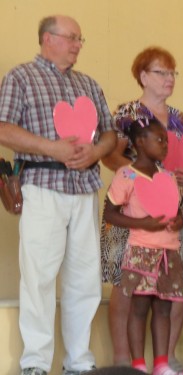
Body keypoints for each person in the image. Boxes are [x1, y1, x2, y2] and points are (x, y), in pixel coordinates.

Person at [0, 15, 116, 375]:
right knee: (39, 277)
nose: (78, 45)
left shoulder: (89, 84)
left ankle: (79, 361)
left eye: (81, 39)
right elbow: (3, 128)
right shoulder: (20, 77)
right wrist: (54, 149)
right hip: (42, 185)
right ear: (47, 39)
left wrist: (95, 153)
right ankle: (35, 363)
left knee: (84, 277)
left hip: (84, 189)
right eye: (72, 38)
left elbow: (110, 134)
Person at [100, 46, 183, 371]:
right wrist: (145, 176)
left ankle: (167, 358)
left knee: (176, 284)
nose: (169, 79)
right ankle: (123, 359)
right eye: (162, 72)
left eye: (173, 73)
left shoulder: (182, 119)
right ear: (143, 76)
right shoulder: (127, 114)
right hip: (131, 214)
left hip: (174, 217)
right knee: (125, 283)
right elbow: (109, 155)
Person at [103, 118, 183, 375]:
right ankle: (138, 364)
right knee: (138, 309)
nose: (165, 145)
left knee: (163, 307)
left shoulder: (169, 177)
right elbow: (110, 213)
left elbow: (179, 213)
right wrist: (143, 223)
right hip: (139, 251)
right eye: (159, 140)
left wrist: (178, 222)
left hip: (167, 252)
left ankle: (161, 364)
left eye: (166, 141)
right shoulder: (126, 175)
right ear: (140, 142)